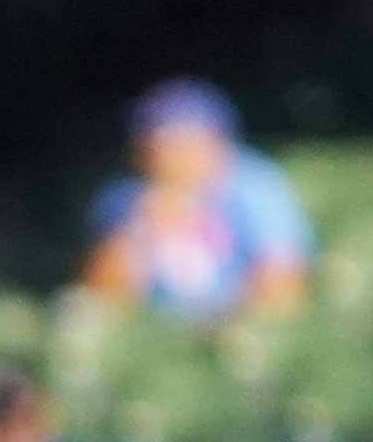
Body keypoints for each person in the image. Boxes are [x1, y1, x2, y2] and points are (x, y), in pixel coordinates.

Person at [78, 80, 312, 320]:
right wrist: (137, 228)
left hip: (237, 323)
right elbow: (99, 297)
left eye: (174, 141)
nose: (162, 155)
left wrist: (227, 322)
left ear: (215, 140)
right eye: (150, 141)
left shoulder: (255, 186)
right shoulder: (124, 196)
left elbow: (284, 279)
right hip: (156, 333)